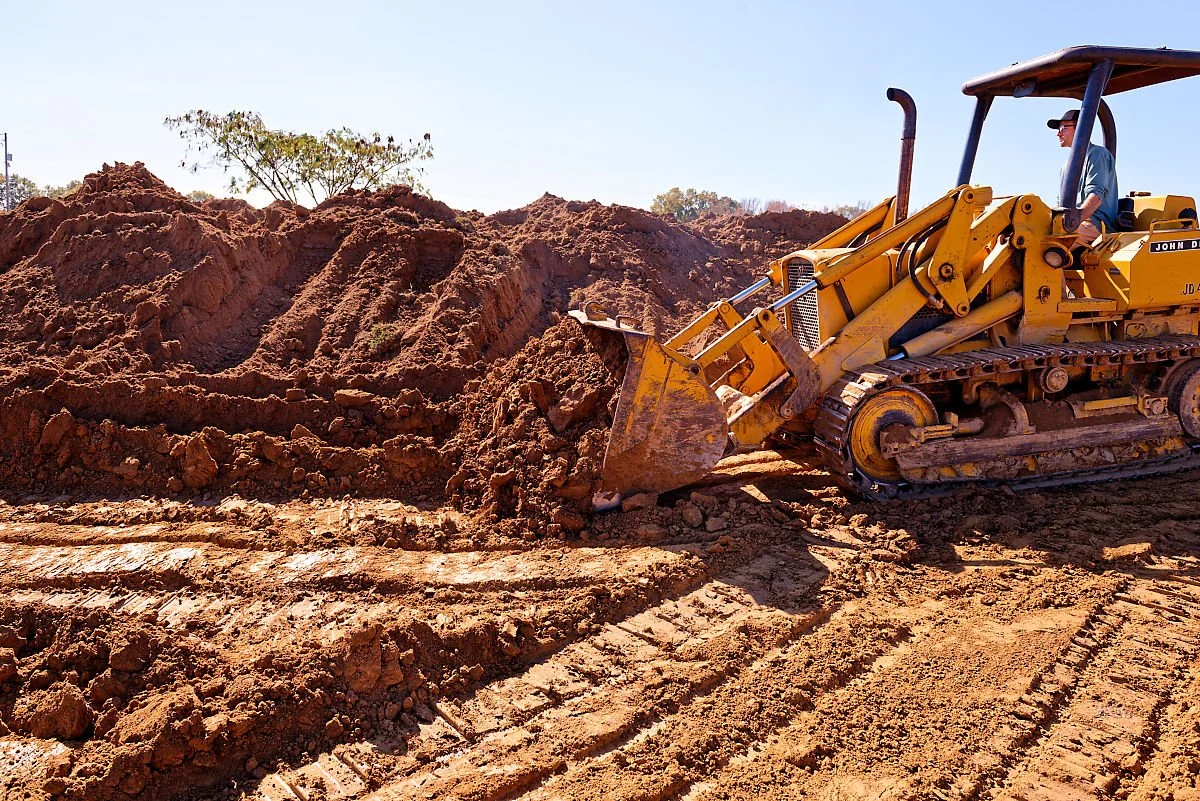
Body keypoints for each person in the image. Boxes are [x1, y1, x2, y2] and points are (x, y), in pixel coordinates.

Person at [1048, 109, 1118, 246]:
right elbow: (1061, 204)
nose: (1058, 133)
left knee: (1047, 244)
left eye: (1063, 128)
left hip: (1096, 224)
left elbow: (1096, 197)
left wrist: (1072, 222)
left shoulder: (1097, 155)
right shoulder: (1065, 167)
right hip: (1075, 223)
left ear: (1080, 128)